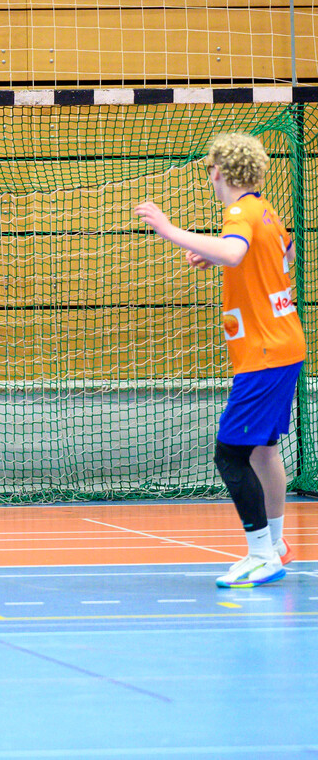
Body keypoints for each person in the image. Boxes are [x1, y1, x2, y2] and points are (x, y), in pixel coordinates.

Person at [135, 132, 304, 589]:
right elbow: (279, 252)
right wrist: (222, 259)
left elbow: (234, 250)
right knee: (264, 450)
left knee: (230, 455)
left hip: (264, 353)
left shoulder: (239, 213)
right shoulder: (265, 211)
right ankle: (276, 546)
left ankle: (261, 555)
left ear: (218, 172)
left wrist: (168, 229)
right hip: (285, 345)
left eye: (210, 168)